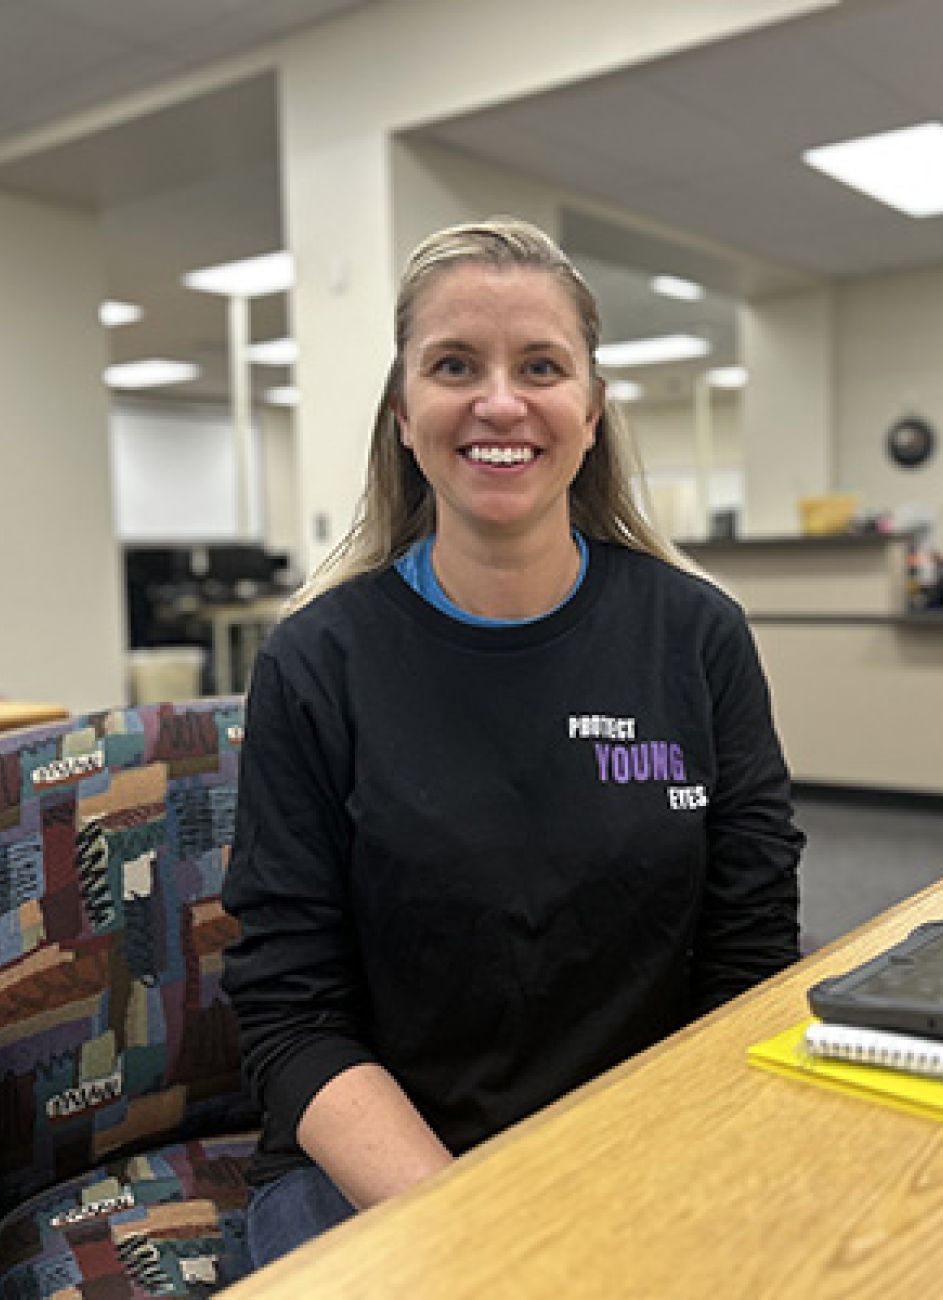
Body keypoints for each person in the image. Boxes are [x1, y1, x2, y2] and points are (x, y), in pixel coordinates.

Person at [221, 216, 804, 1268]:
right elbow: (290, 1013)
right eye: (454, 365)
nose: (500, 401)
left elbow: (750, 961)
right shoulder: (317, 663)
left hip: (642, 1145)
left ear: (591, 412)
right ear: (404, 413)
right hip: (379, 1175)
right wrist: (493, 1228)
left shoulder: (698, 636)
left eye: (540, 365)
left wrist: (635, 1182)